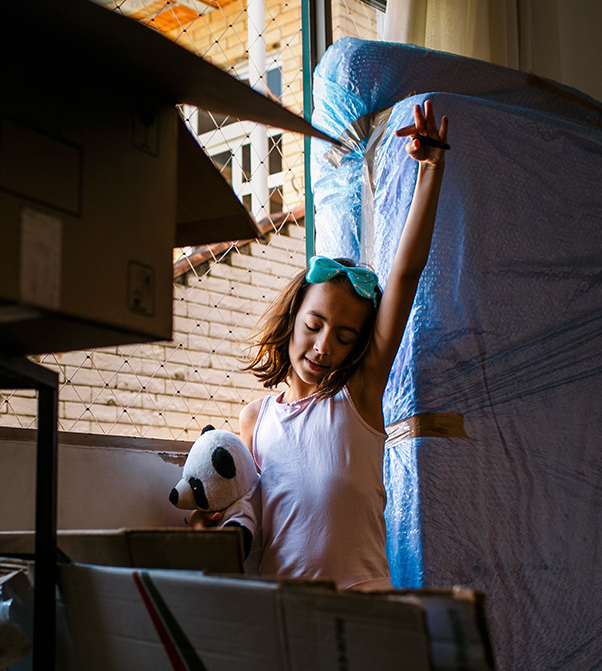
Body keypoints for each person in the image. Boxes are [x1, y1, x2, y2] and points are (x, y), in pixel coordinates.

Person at [190, 100, 449, 590]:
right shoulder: (255, 420)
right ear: (293, 319)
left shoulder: (358, 397)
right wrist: (211, 528)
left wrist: (430, 170)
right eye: (314, 324)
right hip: (285, 615)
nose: (323, 345)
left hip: (365, 607)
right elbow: (248, 515)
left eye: (345, 336)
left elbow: (405, 274)